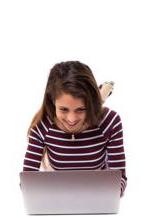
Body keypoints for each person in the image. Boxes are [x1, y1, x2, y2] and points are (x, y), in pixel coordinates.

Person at [22, 61, 127, 197]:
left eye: (81, 109)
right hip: (57, 189)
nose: (71, 119)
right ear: (53, 101)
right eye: (63, 109)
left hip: (98, 193)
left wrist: (108, 196)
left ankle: (103, 90)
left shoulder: (110, 122)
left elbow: (120, 179)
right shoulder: (42, 125)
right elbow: (27, 181)